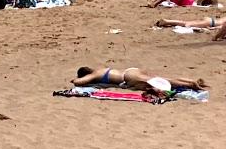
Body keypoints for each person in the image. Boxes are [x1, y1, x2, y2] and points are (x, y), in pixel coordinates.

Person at [73, 66, 205, 93]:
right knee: (161, 79)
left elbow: (78, 83)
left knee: (158, 81)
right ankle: (189, 81)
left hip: (127, 77)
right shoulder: (100, 68)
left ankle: (191, 84)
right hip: (131, 70)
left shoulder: (95, 74)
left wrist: (75, 80)